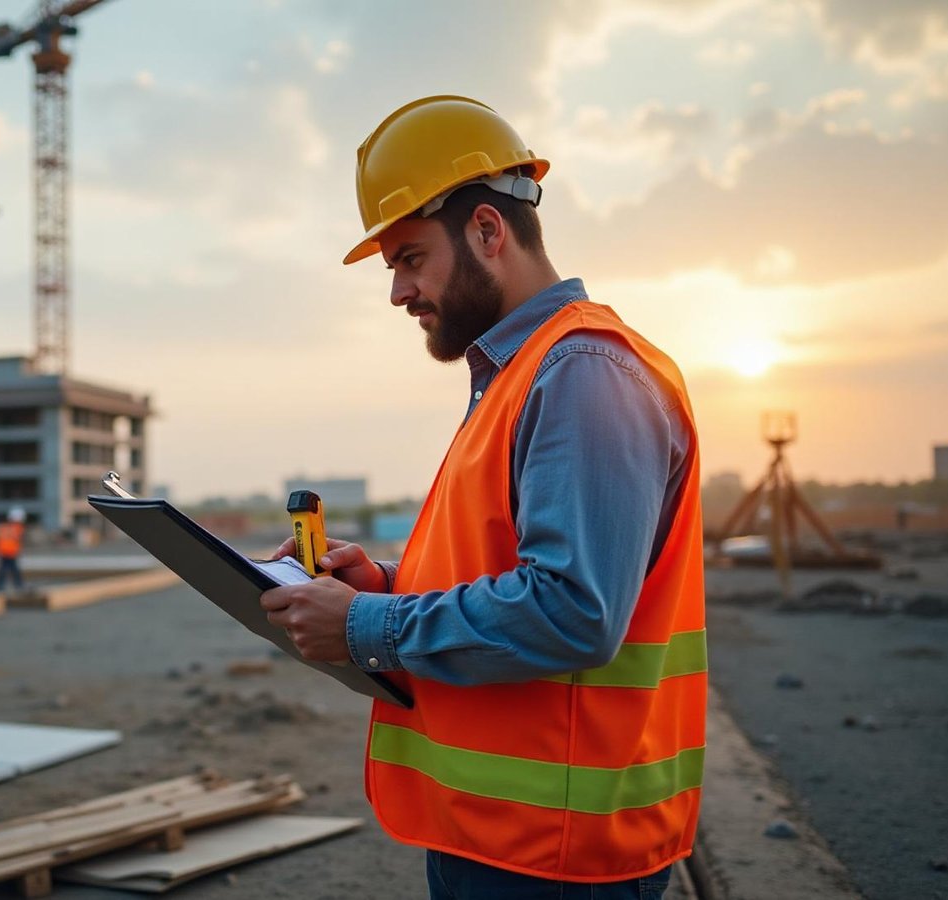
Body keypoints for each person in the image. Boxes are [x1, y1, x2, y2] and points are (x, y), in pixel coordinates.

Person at [258, 96, 705, 897]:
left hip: (560, 856)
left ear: (488, 233)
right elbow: (504, 565)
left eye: (409, 259)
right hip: (512, 840)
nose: (398, 291)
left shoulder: (582, 374)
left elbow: (573, 610)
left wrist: (362, 625)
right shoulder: (525, 373)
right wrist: (386, 586)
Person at [0, 507, 26, 593]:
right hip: (11, 552)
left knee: (3, 569)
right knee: (14, 570)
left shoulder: (2, 526)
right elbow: (19, 538)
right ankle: (18, 585)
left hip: (3, 551)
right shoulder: (18, 527)